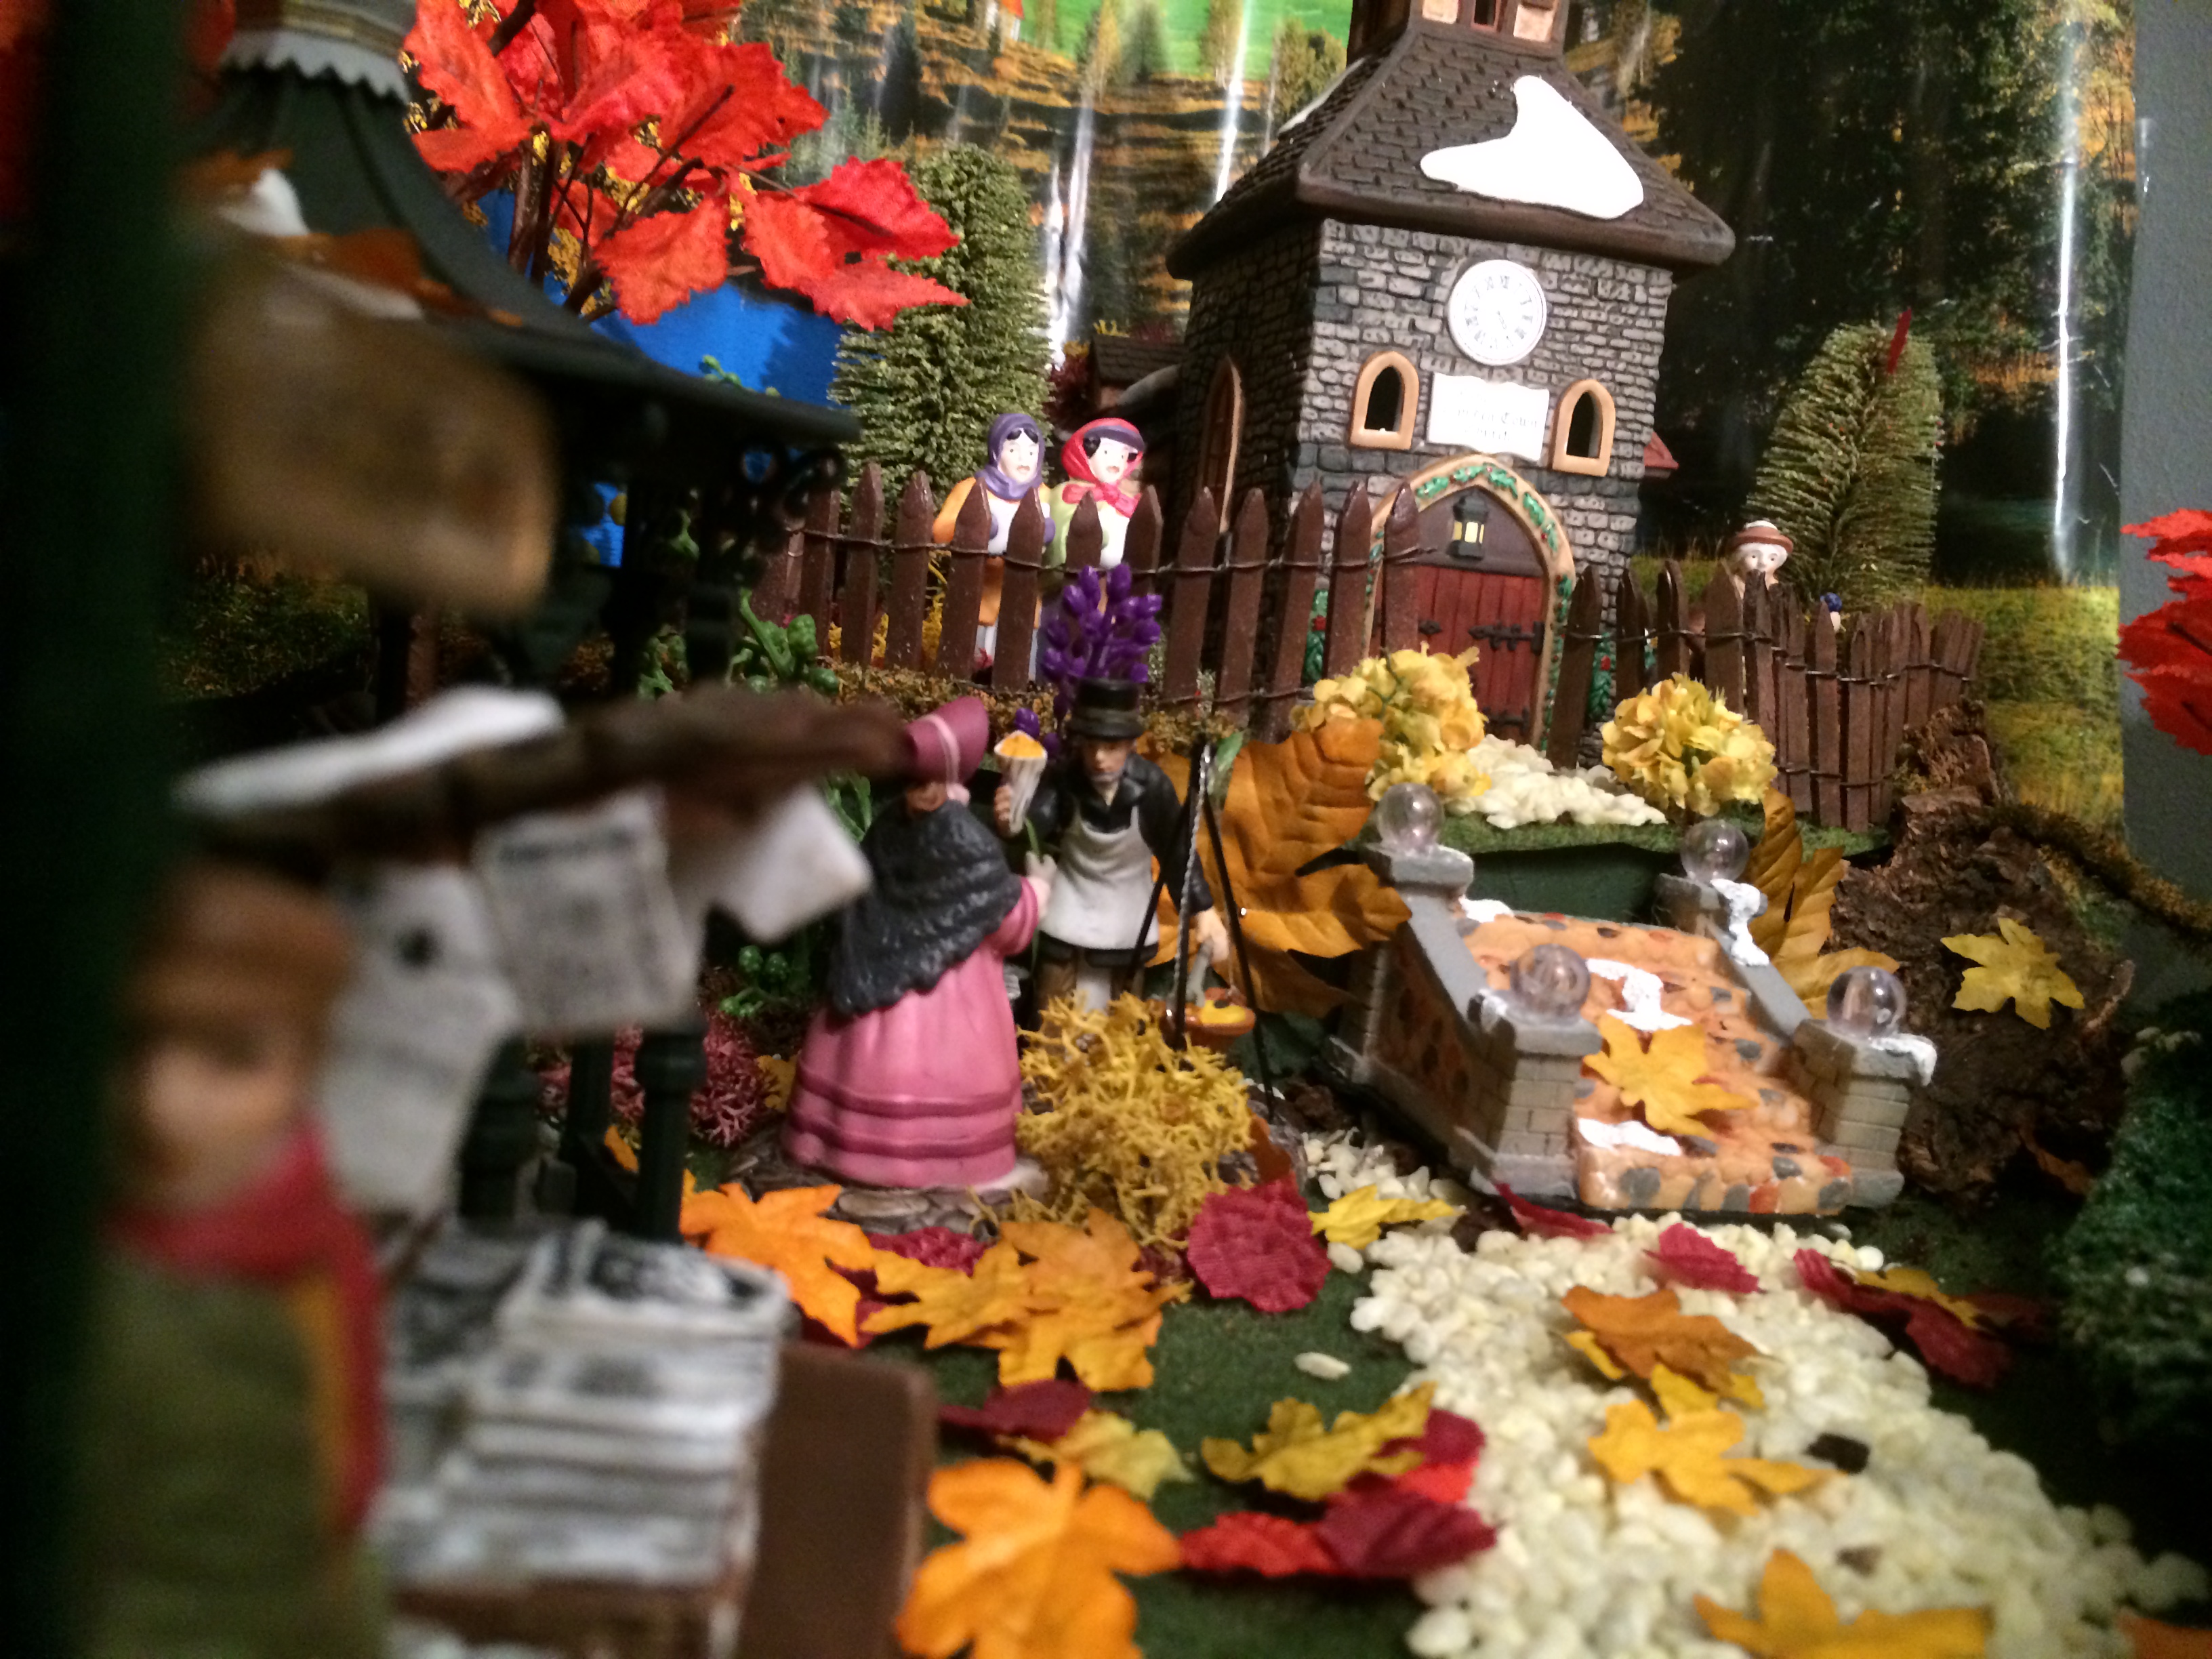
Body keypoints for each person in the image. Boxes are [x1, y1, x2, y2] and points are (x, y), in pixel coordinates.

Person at [83, 860, 386, 1659]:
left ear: (306, 1069)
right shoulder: (93, 1285)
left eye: (233, 1060)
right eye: (133, 1050)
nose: (165, 1102)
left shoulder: (317, 1247)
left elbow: (335, 1511)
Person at [783, 697, 1046, 1189]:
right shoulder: (954, 838)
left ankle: (861, 1144)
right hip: (924, 1011)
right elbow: (1007, 923)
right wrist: (1037, 894)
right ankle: (910, 1147)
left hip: (881, 1005)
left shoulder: (900, 829)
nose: (920, 790)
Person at [996, 677, 1229, 1011]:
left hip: (1128, 915)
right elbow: (1035, 825)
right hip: (1069, 907)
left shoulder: (1152, 789)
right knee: (1053, 1006)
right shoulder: (1066, 781)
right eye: (1090, 745)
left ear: (1131, 743)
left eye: (1112, 747)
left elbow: (1178, 853)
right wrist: (1012, 822)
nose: (1099, 758)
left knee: (1122, 1012)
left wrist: (1202, 910)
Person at [933, 413, 1055, 661]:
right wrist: (977, 528)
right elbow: (940, 530)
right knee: (971, 660)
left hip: (1025, 605)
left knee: (1018, 663)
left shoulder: (1045, 495)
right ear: (997, 451)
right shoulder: (972, 488)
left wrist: (1051, 533)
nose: (1024, 459)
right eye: (1014, 450)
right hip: (979, 599)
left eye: (1031, 452)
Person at [1050, 417, 1146, 569]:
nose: (1116, 461)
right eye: (1107, 451)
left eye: (1123, 456)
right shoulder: (1069, 493)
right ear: (1084, 454)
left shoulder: (1123, 502)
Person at [1725, 519, 1793, 591]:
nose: (1763, 563)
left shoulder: (1779, 592)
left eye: (1772, 559)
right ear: (1739, 559)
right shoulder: (1726, 587)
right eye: (1754, 556)